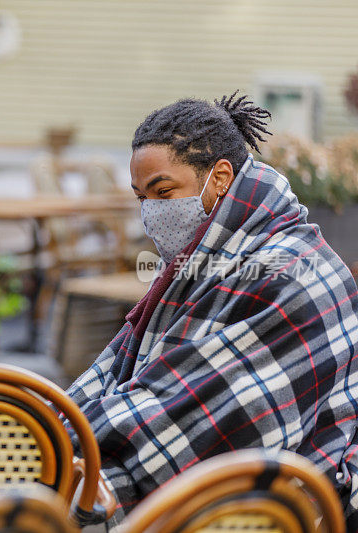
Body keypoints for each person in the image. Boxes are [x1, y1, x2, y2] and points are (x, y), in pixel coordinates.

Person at [65, 92, 358, 527]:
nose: (150, 212)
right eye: (140, 197)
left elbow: (194, 419)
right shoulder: (205, 258)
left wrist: (60, 441)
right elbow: (120, 375)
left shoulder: (294, 274)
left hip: (279, 507)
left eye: (163, 191)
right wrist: (51, 429)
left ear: (220, 177)